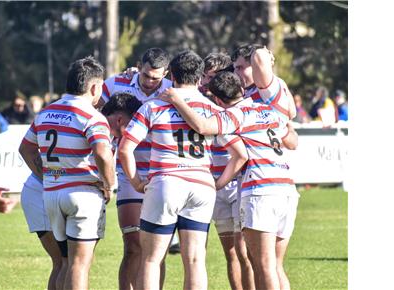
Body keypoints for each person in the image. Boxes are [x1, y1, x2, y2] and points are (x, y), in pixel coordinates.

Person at [158, 68, 299, 290]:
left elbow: (203, 126)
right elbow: (292, 141)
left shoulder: (234, 115)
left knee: (264, 265)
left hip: (261, 190)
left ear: (217, 99)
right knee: (276, 265)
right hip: (287, 188)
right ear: (242, 89)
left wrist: (177, 100)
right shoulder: (267, 110)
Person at [119, 50, 248, 290]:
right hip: (201, 186)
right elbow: (240, 154)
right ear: (200, 79)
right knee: (196, 260)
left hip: (166, 183)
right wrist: (217, 183)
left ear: (172, 76)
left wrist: (137, 182)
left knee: (151, 259)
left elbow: (125, 149)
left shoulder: (153, 106)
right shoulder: (213, 110)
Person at [20, 56, 116, 290]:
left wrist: (49, 176)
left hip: (52, 194)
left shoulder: (45, 113)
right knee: (79, 265)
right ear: (94, 87)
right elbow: (103, 153)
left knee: (64, 263)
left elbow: (25, 148)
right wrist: (108, 184)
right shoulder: (92, 116)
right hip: (82, 194)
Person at [96, 47, 172, 290]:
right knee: (132, 245)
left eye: (156, 78)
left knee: (156, 250)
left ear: (166, 73)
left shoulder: (172, 89)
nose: (150, 82)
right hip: (128, 175)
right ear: (139, 67)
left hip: (162, 174)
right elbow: (95, 113)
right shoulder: (115, 83)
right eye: (146, 75)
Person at [203, 51, 256, 290]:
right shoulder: (200, 102)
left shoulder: (238, 105)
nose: (207, 82)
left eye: (213, 77)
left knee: (246, 253)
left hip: (237, 183)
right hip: (215, 183)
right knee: (231, 253)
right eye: (205, 76)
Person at [232, 44, 296, 123]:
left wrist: (267, 55)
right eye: (234, 68)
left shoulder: (268, 87)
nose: (235, 73)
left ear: (254, 66)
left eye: (240, 68)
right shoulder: (242, 90)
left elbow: (259, 55)